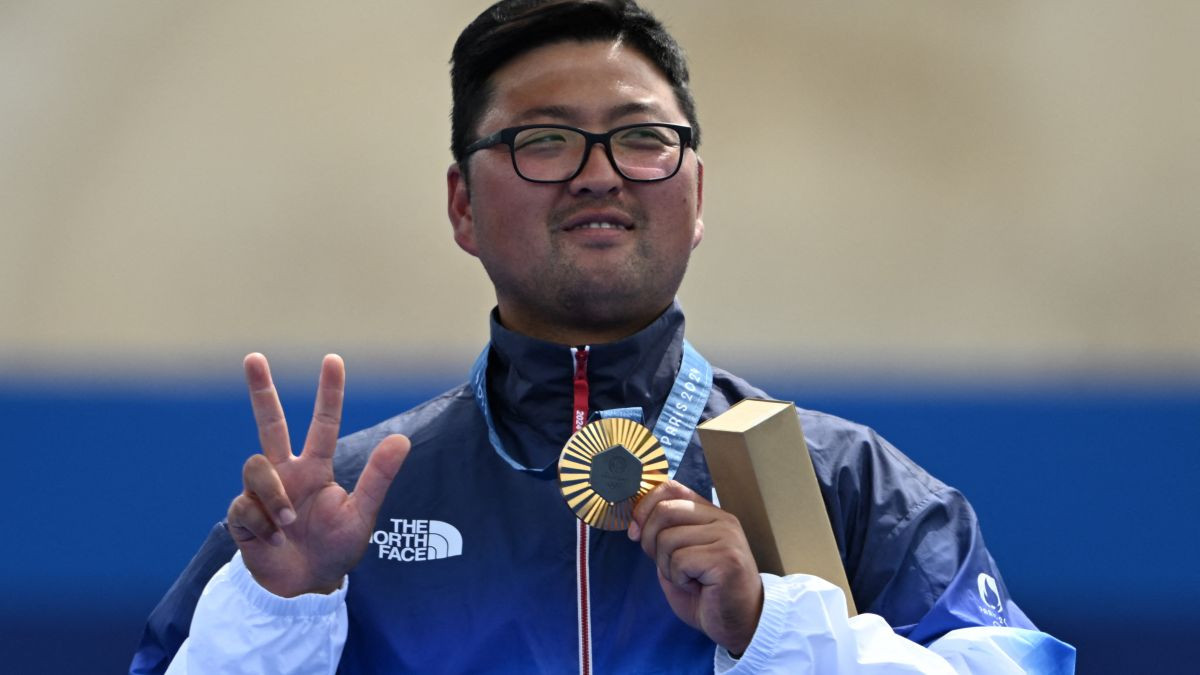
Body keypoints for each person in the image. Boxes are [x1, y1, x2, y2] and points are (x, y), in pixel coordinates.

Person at [132, 1, 1075, 673]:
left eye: (640, 137)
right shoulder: (340, 512)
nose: (598, 175)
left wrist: (769, 628)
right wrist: (279, 610)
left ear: (696, 194)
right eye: (543, 140)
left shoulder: (845, 484)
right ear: (462, 205)